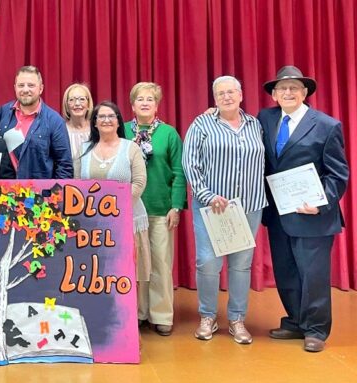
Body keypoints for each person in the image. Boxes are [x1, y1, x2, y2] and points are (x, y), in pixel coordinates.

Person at [259, 66, 349, 353]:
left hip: (312, 215)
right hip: (279, 214)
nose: (288, 92)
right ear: (274, 94)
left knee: (313, 275)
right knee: (286, 272)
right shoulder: (265, 118)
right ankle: (296, 321)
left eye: (294, 88)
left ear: (305, 92)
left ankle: (316, 330)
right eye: (282, 88)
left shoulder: (326, 125)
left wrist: (321, 203)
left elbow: (338, 174)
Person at [182, 76, 266, 344]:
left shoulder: (256, 125)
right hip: (213, 207)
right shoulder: (202, 124)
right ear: (214, 98)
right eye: (221, 93)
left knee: (241, 264)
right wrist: (207, 195)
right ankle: (208, 315)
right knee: (208, 262)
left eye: (231, 92)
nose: (227, 97)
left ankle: (237, 319)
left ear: (241, 94)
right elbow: (190, 163)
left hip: (250, 205)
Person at [124, 82, 187, 336]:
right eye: (140, 99)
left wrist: (176, 205)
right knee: (136, 263)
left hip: (161, 207)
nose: (145, 103)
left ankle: (161, 314)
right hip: (130, 208)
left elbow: (179, 172)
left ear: (157, 104)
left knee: (160, 262)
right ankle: (139, 312)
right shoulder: (122, 130)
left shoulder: (169, 134)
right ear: (132, 104)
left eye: (150, 99)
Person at [77, 101, 150, 303]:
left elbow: (139, 182)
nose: (107, 120)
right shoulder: (84, 150)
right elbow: (76, 184)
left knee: (125, 273)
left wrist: (115, 208)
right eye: (101, 117)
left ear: (119, 122)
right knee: (97, 273)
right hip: (92, 225)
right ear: (95, 123)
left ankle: (127, 324)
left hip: (127, 221)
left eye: (112, 116)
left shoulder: (131, 148)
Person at [0, 65, 73, 179]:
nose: (25, 89)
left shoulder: (55, 121)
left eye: (31, 85)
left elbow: (64, 166)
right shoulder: (2, 113)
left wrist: (54, 195)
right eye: (21, 85)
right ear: (15, 87)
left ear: (41, 88)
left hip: (40, 194)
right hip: (5, 192)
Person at [62, 83, 93, 174]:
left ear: (88, 104)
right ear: (67, 106)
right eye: (72, 100)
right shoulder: (60, 130)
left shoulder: (97, 129)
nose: (77, 103)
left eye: (82, 99)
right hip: (67, 182)